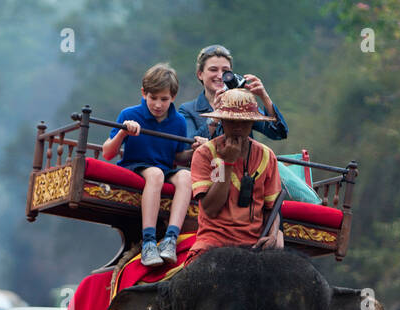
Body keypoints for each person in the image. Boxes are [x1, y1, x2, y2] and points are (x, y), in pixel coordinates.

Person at [102, 63, 193, 268]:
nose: (158, 105)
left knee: (186, 176)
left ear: (173, 98)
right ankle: (149, 241)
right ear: (144, 94)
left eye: (164, 99)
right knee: (155, 174)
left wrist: (195, 149)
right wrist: (123, 132)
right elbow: (108, 153)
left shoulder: (178, 121)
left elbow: (178, 155)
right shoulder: (129, 114)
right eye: (153, 98)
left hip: (164, 168)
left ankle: (171, 238)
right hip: (136, 166)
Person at [188, 88, 284, 256]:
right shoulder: (204, 153)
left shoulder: (267, 156)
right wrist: (228, 163)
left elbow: (272, 207)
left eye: (245, 121)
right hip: (213, 243)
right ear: (222, 121)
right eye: (232, 121)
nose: (238, 127)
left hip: (254, 245)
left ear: (253, 122)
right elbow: (210, 209)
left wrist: (274, 234)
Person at [177, 44, 288, 164]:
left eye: (225, 71)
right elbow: (186, 149)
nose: (220, 76)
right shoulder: (187, 109)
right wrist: (215, 118)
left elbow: (278, 133)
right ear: (200, 74)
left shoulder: (241, 105)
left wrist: (264, 97)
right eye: (213, 70)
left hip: (243, 172)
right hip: (209, 174)